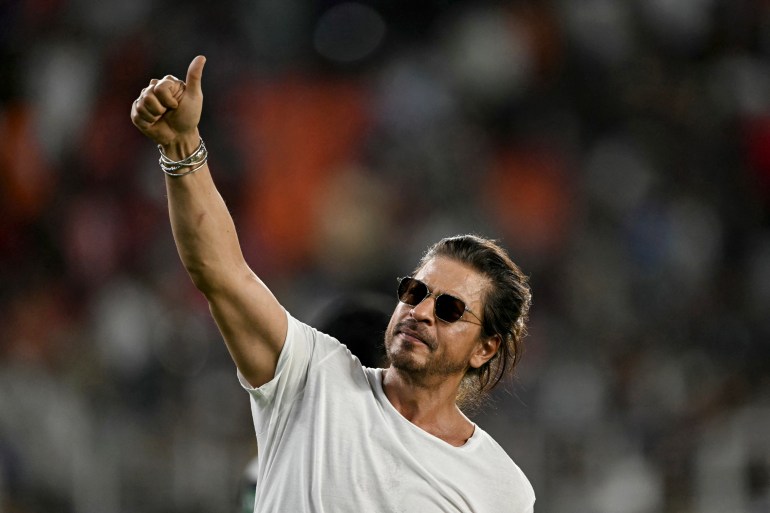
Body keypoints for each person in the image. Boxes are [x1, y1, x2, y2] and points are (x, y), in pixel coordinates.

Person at [131, 55, 536, 512]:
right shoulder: (311, 377)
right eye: (415, 292)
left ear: (486, 348)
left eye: (449, 310)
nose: (420, 311)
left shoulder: (500, 490)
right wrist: (181, 145)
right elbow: (221, 274)